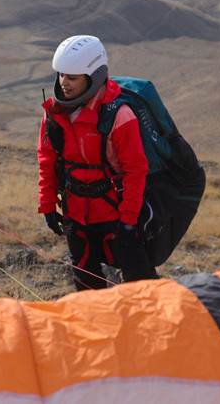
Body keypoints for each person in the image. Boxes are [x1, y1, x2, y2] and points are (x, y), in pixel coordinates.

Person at [37, 35, 158, 291]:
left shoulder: (120, 116)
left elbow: (136, 171)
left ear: (94, 76)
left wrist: (128, 220)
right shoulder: (53, 114)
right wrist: (48, 205)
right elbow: (47, 161)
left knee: (142, 288)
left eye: (72, 77)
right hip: (75, 215)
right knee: (87, 293)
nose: (64, 83)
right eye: (61, 75)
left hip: (116, 215)